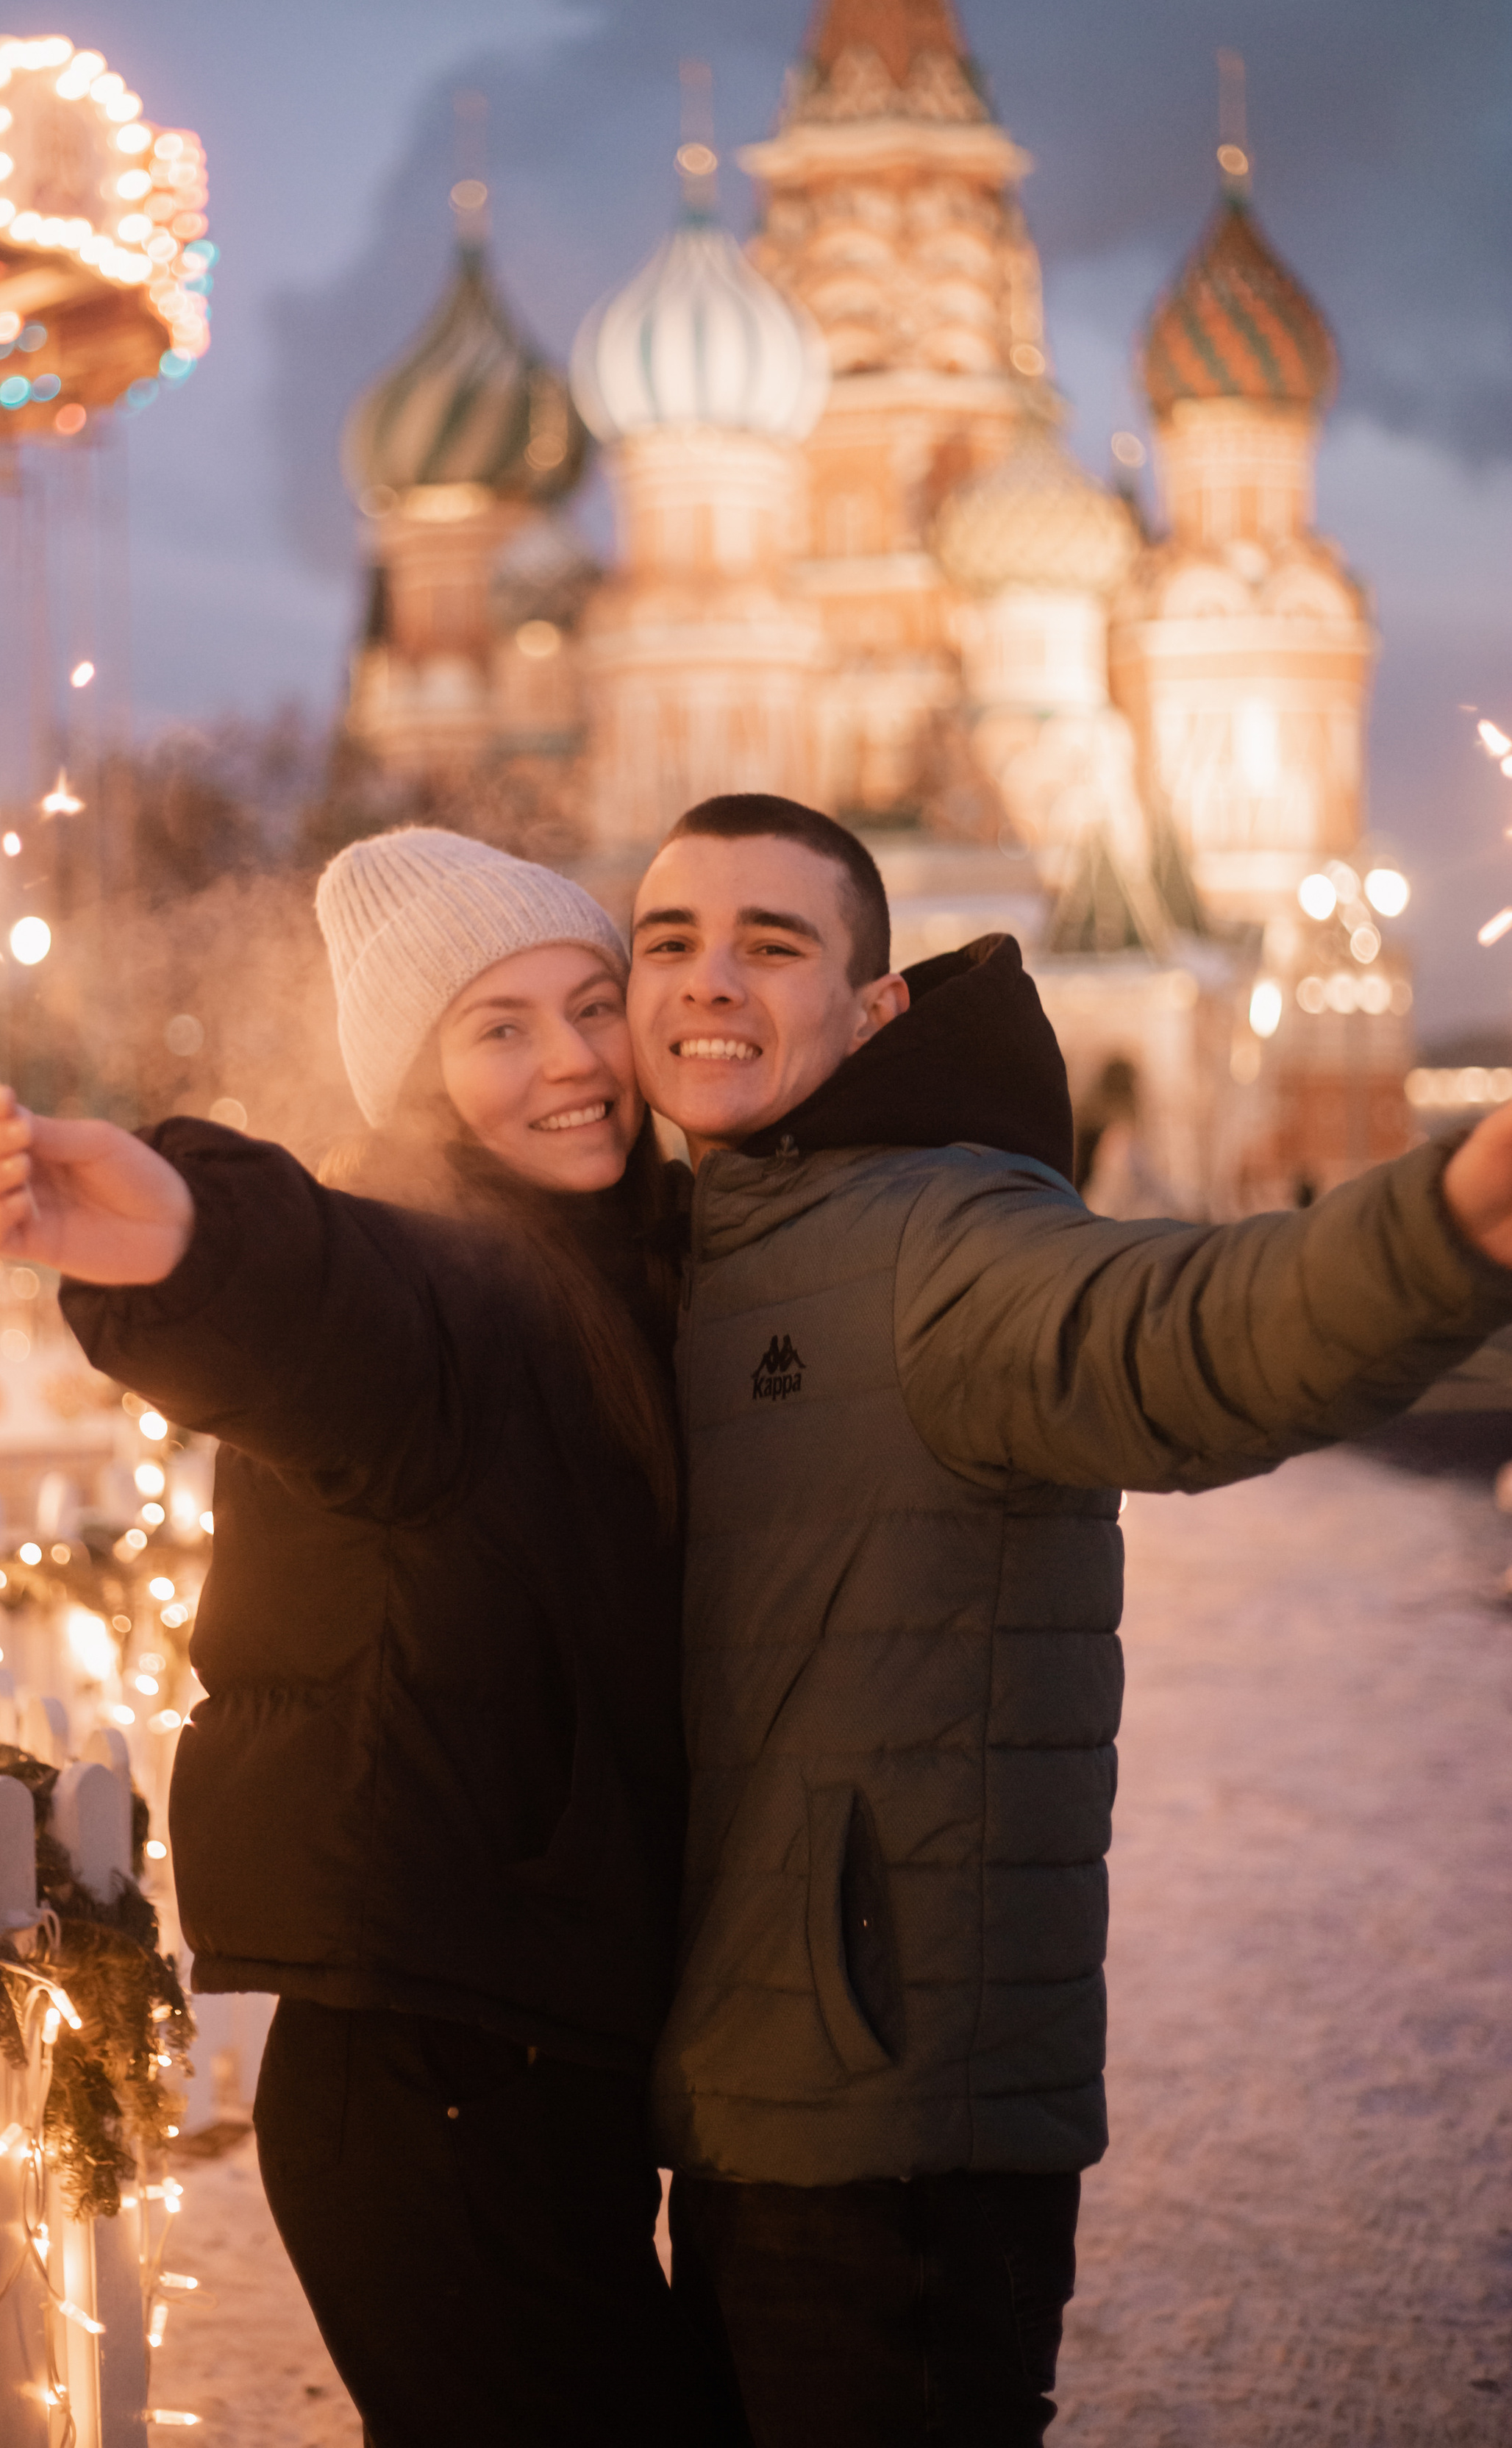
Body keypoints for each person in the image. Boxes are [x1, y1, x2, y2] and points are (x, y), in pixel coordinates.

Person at [622, 790, 1512, 2448]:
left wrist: (1445, 1222)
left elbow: (1176, 1332)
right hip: (755, 2095)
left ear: (872, 1006)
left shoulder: (937, 1237)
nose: (708, 982)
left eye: (770, 943)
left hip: (891, 2139)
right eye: (666, 942)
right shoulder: (714, 1247)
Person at [0, 827, 732, 2448]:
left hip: (540, 2048)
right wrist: (179, 1236)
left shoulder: (632, 1265)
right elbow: (322, 1308)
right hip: (431, 2069)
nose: (574, 1063)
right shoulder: (449, 1285)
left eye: (591, 1006)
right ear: (416, 1081)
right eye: (498, 1029)